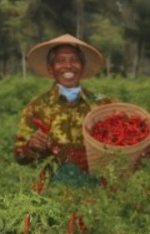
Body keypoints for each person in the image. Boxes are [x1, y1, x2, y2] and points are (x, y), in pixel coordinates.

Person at [14, 34, 116, 183]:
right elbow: (19, 155)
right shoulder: (37, 105)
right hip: (51, 189)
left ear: (82, 67)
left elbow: (135, 128)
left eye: (74, 60)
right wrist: (31, 146)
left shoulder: (102, 103)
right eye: (60, 61)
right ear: (51, 69)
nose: (68, 66)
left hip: (95, 188)